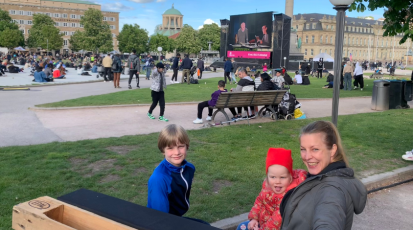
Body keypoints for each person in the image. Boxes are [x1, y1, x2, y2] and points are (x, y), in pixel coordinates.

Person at [280, 121, 367, 230]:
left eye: (315, 149)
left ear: (332, 150)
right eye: (303, 149)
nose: (307, 157)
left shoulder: (332, 190)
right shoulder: (321, 176)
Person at [236, 148, 307, 230]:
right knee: (241, 227)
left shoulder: (289, 196)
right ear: (267, 177)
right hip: (262, 223)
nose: (277, 181)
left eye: (282, 177)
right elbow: (259, 201)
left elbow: (277, 219)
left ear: (290, 178)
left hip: (276, 227)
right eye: (273, 177)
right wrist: (254, 218)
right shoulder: (267, 186)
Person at [147, 124, 204, 222]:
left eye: (181, 146)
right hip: (163, 222)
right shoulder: (159, 179)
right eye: (170, 148)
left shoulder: (189, 168)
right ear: (163, 150)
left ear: (187, 146)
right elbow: (160, 218)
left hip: (176, 216)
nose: (177, 152)